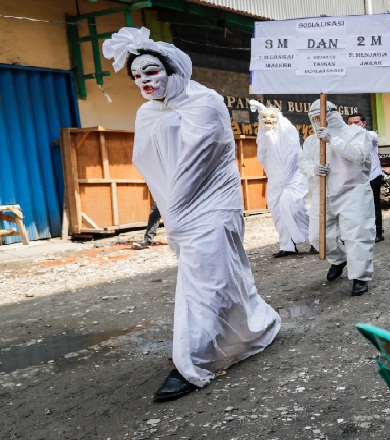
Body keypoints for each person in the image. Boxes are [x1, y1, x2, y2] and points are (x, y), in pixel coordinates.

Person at [102, 27, 281, 401]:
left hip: (212, 204)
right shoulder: (147, 112)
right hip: (177, 207)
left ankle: (192, 363)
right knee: (223, 275)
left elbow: (197, 161)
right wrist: (170, 211)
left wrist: (179, 214)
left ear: (174, 69)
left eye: (151, 72)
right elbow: (149, 163)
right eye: (137, 77)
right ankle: (252, 329)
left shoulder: (206, 102)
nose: (144, 83)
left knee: (207, 281)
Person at [299, 100, 374, 296]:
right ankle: (339, 259)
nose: (317, 121)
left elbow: (358, 155)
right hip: (323, 191)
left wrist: (333, 140)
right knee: (318, 235)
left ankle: (360, 277)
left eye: (320, 116)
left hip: (353, 190)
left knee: (356, 235)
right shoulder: (312, 141)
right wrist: (313, 170)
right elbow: (303, 161)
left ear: (332, 114)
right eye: (314, 118)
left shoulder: (357, 133)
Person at [249, 100, 313, 257]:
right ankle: (287, 245)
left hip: (292, 180)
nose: (267, 120)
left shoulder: (287, 130)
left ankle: (316, 239)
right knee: (278, 212)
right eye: (263, 117)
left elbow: (293, 155)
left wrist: (285, 178)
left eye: (271, 117)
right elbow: (263, 153)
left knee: (296, 210)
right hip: (275, 181)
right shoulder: (265, 134)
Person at [347, 112, 384, 243]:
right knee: (358, 207)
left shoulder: (371, 135)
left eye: (356, 123)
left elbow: (368, 137)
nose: (353, 126)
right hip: (357, 177)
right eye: (350, 123)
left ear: (364, 123)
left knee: (373, 205)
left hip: (373, 175)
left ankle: (378, 232)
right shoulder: (348, 138)